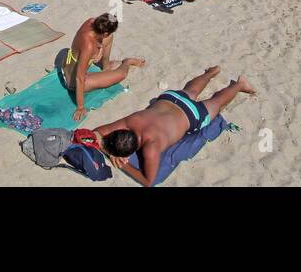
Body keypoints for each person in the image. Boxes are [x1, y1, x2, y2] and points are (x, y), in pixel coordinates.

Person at [92, 67, 255, 187]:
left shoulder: (151, 147)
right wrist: (107, 149)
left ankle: (239, 85)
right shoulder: (131, 121)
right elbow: (96, 133)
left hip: (191, 115)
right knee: (190, 90)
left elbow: (148, 181)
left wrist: (123, 164)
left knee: (216, 103)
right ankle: (209, 73)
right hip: (171, 98)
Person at [63, 13, 145, 122]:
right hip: (73, 82)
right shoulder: (89, 46)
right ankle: (128, 62)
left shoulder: (90, 21)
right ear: (104, 33)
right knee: (122, 74)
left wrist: (100, 48)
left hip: (68, 65)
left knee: (110, 38)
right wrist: (80, 107)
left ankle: (105, 67)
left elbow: (100, 37)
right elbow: (79, 78)